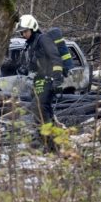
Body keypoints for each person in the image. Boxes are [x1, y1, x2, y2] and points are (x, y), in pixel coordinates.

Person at [15, 14, 64, 152]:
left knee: (40, 109)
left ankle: (49, 144)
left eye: (25, 31)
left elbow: (56, 59)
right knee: (41, 110)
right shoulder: (31, 44)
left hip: (49, 80)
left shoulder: (43, 39)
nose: (24, 34)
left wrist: (57, 80)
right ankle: (51, 144)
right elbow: (35, 64)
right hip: (38, 80)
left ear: (33, 28)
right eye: (22, 32)